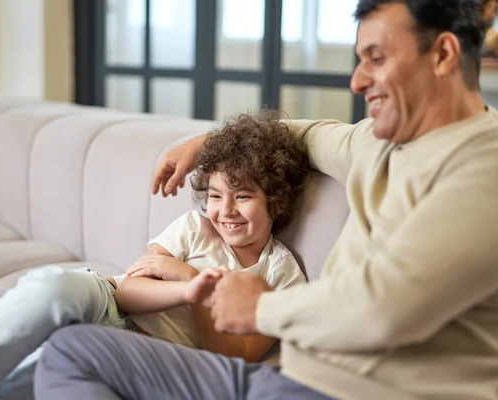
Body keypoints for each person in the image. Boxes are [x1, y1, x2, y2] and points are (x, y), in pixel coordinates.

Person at [34, 1, 498, 399]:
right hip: (283, 379)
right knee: (70, 349)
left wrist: (260, 308)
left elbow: (385, 310)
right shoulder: (375, 144)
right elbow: (303, 134)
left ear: (442, 54)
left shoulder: (483, 169)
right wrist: (207, 142)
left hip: (348, 392)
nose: (357, 81)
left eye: (375, 59)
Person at [0, 110, 309, 400]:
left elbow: (233, 356)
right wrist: (183, 288)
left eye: (243, 197)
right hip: (111, 303)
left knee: (37, 374)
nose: (226, 211)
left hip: (145, 355)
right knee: (52, 285)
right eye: (217, 196)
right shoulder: (194, 228)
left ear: (276, 201)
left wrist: (190, 283)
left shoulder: (281, 273)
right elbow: (129, 291)